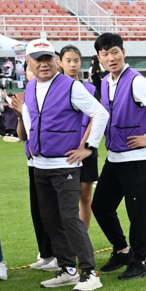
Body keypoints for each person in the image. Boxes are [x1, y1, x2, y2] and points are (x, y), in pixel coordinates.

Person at [15, 37, 108, 291]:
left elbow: (100, 113)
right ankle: (67, 269)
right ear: (29, 62)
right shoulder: (31, 86)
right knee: (50, 218)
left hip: (65, 164)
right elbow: (29, 115)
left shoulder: (71, 86)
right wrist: (31, 143)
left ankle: (89, 272)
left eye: (48, 58)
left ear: (55, 60)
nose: (44, 64)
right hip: (40, 164)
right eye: (38, 59)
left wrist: (87, 147)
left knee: (69, 217)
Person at [90, 31, 146, 278]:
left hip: (136, 160)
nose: (111, 58)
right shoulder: (104, 82)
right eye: (105, 54)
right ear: (99, 58)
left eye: (115, 52)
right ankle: (123, 250)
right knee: (101, 206)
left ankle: (140, 262)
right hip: (114, 158)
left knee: (137, 212)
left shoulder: (136, 81)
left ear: (124, 53)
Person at [57, 45, 100, 229]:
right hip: (62, 150)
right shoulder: (54, 89)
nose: (72, 64)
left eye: (76, 60)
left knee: (85, 195)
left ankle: (82, 240)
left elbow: (95, 119)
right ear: (60, 62)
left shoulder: (90, 89)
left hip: (87, 149)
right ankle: (65, 242)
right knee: (65, 198)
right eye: (68, 60)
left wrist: (84, 147)